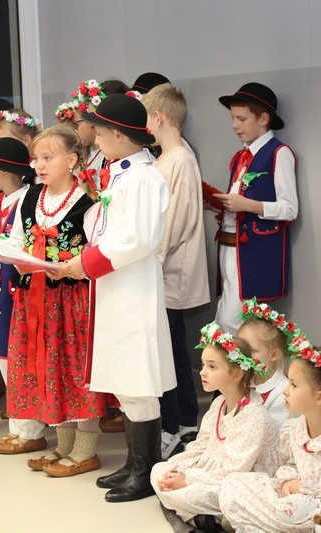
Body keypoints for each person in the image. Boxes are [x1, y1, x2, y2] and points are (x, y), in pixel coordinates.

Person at [59, 94, 176, 502]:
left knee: (138, 379)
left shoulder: (142, 177)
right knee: (127, 380)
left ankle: (145, 470)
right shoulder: (122, 175)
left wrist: (86, 263)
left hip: (131, 288)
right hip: (115, 284)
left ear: (120, 136)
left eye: (100, 131)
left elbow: (137, 239)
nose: (95, 138)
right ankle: (134, 462)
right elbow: (109, 227)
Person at [0, 125, 108, 477]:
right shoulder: (31, 196)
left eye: (48, 157)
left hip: (71, 301)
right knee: (49, 369)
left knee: (74, 369)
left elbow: (96, 250)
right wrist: (14, 255)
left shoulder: (89, 202)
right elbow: (16, 238)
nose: (40, 165)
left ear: (72, 159)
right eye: (36, 158)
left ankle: (86, 449)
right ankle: (64, 443)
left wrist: (71, 266)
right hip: (35, 298)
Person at [219, 345, 321, 531]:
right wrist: (287, 481)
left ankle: (257, 522)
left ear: (320, 398)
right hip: (290, 498)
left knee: (292, 509)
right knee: (232, 483)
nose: (285, 391)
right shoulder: (295, 428)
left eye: (293, 385)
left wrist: (303, 490)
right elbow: (289, 464)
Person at [141, 83, 209, 458]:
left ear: (159, 117)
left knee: (166, 353)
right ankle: (183, 420)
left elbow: (176, 220)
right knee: (173, 349)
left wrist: (153, 259)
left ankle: (173, 425)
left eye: (146, 119)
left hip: (168, 271)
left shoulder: (180, 160)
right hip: (162, 270)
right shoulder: (164, 159)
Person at [151, 323, 274, 530]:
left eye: (212, 367)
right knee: (158, 471)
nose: (202, 372)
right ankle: (199, 519)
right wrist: (176, 470)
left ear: (236, 374)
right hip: (208, 473)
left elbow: (234, 471)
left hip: (237, 482)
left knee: (197, 494)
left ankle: (192, 515)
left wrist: (187, 480)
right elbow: (199, 447)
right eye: (202, 365)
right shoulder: (219, 403)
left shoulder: (254, 416)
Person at [0, 137, 45, 453]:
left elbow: (25, 246)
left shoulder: (26, 200)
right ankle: (17, 427)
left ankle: (30, 430)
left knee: (20, 359)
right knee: (5, 356)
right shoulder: (5, 202)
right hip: (1, 288)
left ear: (4, 171)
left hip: (18, 289)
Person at [211, 82, 297, 334]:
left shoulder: (279, 153)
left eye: (241, 118)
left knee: (232, 321)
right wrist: (220, 204)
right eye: (233, 118)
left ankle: (236, 359)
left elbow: (289, 208)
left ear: (263, 119)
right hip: (229, 244)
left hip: (253, 249)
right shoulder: (241, 156)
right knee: (225, 314)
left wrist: (247, 205)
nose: (234, 125)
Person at [236, 297, 294, 433]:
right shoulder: (242, 381)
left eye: (251, 350)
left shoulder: (283, 392)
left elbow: (273, 433)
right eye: (240, 349)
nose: (243, 355)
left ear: (273, 355)